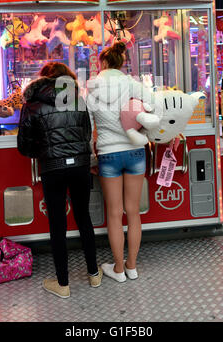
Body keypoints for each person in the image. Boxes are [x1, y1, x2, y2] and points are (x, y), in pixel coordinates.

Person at [17, 62, 102, 298]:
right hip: (80, 166)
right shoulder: (79, 101)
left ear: (43, 80)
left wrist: (45, 151)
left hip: (52, 168)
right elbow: (86, 134)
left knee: (57, 224)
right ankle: (94, 275)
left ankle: (63, 284)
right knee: (84, 217)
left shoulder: (32, 105)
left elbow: (23, 145)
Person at [87, 42, 153, 283]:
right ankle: (132, 267)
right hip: (135, 150)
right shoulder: (133, 84)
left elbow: (87, 127)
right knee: (133, 212)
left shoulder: (91, 88)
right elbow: (154, 106)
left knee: (114, 214)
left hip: (108, 154)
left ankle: (117, 269)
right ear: (120, 63)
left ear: (103, 63)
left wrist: (92, 157)